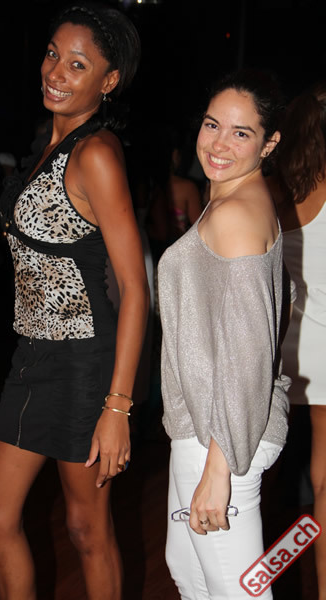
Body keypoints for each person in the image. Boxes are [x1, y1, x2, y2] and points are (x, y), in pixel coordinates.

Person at [0, 4, 149, 600]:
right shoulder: (45, 149)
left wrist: (118, 407)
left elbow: (134, 287)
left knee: (86, 529)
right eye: (53, 54)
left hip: (83, 364)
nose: (56, 72)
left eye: (78, 64)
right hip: (32, 357)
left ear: (108, 80)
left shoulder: (95, 154)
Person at [158, 70, 290, 599]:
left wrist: (220, 466)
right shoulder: (235, 200)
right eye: (213, 125)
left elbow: (248, 352)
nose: (218, 144)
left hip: (220, 435)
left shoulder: (236, 214)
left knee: (237, 592)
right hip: (207, 424)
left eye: (241, 133)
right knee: (188, 570)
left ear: (269, 143)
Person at [269, 83, 326, 600]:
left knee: (265, 480)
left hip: (275, 350)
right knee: (325, 481)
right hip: (324, 355)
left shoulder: (270, 190)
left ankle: (257, 583)